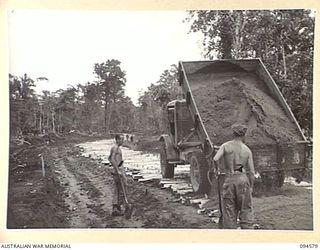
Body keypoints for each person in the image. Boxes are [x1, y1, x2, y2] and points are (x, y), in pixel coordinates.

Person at [213, 124, 255, 229]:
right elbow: (252, 172)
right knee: (246, 209)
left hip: (229, 180)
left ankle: (231, 235)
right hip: (242, 179)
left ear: (233, 133)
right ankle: (247, 232)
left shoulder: (226, 146)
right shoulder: (247, 150)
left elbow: (215, 159)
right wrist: (251, 187)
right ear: (244, 135)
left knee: (229, 211)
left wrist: (216, 169)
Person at [109, 134, 127, 216]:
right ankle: (117, 207)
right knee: (121, 188)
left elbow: (109, 158)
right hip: (118, 170)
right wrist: (117, 170)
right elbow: (112, 159)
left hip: (118, 169)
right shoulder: (115, 148)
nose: (123, 141)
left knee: (119, 188)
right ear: (117, 140)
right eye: (122, 139)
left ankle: (117, 207)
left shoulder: (116, 148)